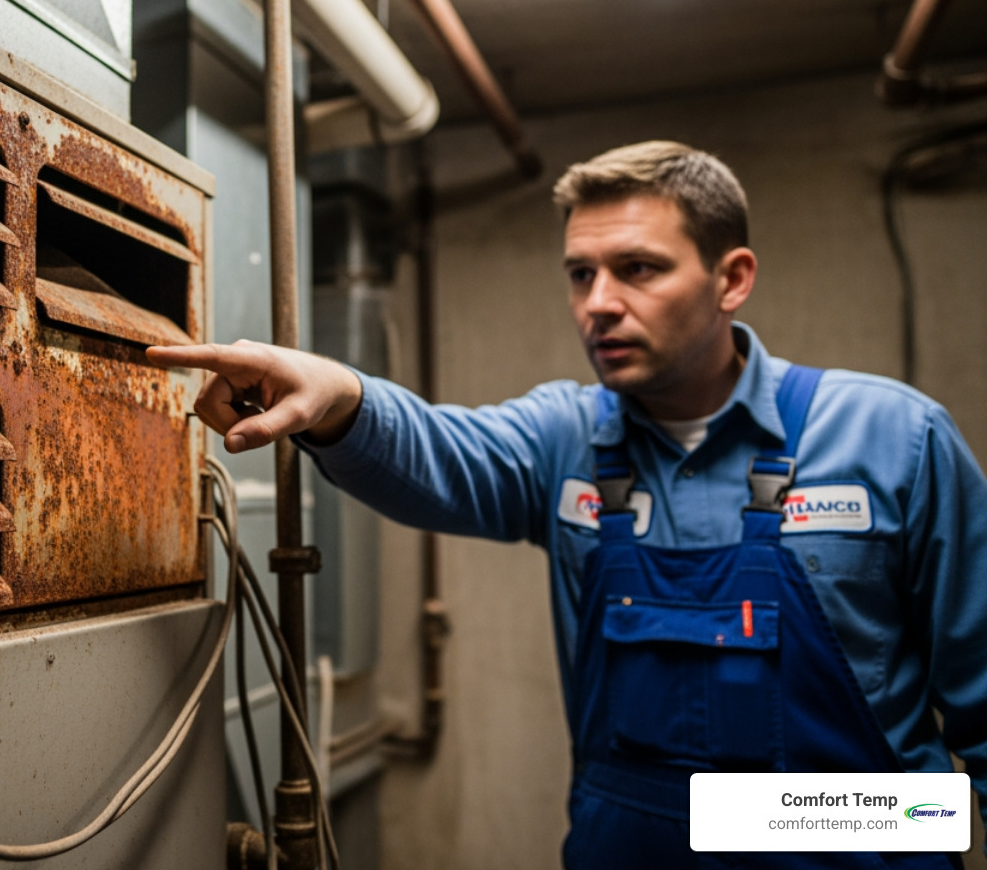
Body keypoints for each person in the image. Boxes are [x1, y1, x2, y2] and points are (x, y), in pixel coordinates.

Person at [148, 141, 987, 869]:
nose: (599, 302)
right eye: (581, 274)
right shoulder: (567, 437)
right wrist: (341, 396)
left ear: (732, 279)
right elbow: (442, 451)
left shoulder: (895, 438)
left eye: (638, 269)